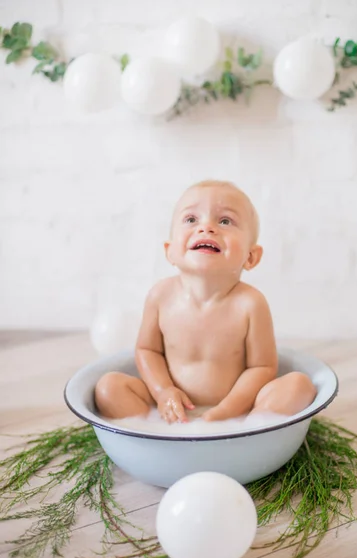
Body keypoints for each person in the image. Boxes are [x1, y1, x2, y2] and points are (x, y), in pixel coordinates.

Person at [95, 180, 316, 424]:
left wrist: (227, 410)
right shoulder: (160, 296)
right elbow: (148, 350)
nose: (207, 228)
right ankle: (151, 431)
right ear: (170, 251)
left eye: (225, 221)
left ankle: (253, 427)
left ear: (251, 257)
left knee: (299, 385)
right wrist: (163, 392)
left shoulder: (250, 304)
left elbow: (262, 368)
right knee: (109, 387)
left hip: (237, 408)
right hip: (170, 408)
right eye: (191, 219)